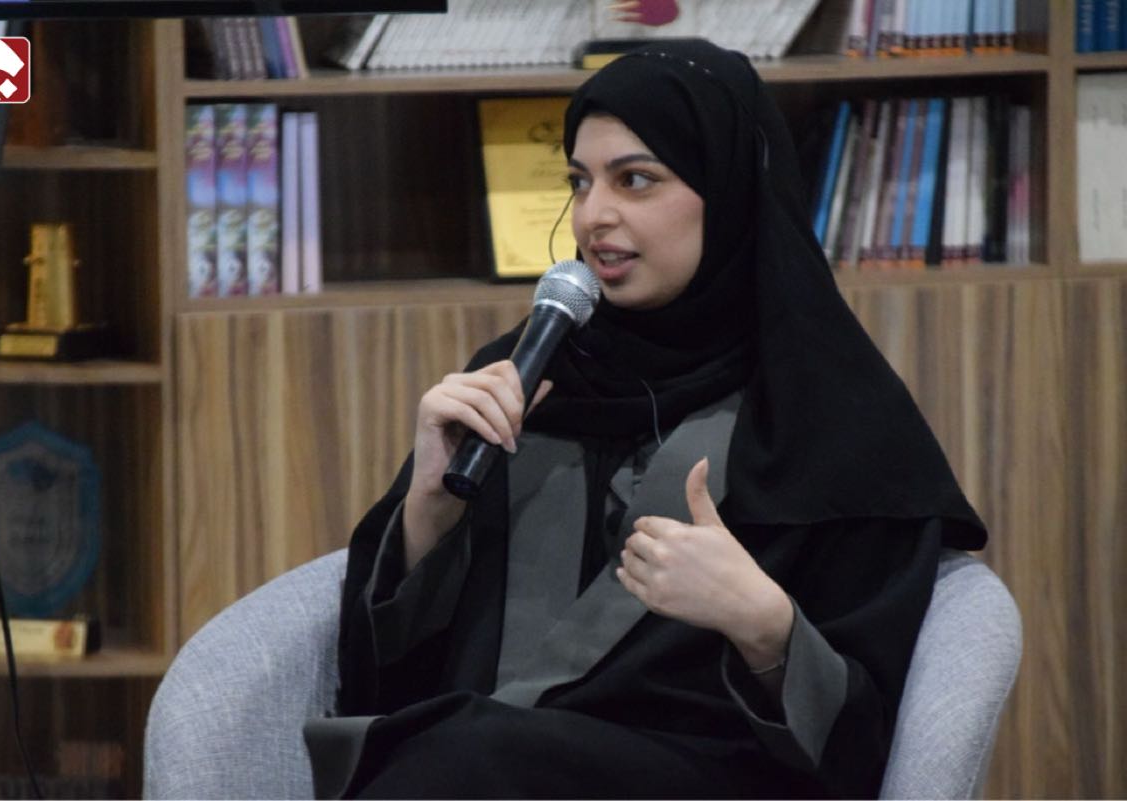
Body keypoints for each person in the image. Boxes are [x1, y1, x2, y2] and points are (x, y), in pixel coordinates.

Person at [305, 40, 987, 799]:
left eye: (636, 180)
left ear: (728, 192)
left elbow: (871, 750)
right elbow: (382, 680)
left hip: (707, 775)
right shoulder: (527, 374)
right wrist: (428, 510)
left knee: (459, 756)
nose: (593, 215)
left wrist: (764, 622)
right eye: (580, 181)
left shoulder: (831, 416)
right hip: (489, 760)